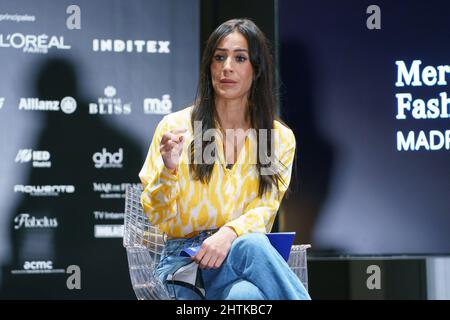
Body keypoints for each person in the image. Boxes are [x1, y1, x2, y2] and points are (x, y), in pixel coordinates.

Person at [139, 18, 311, 300]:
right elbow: (160, 218)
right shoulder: (180, 127)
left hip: (240, 257)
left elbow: (265, 209)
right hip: (186, 263)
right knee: (249, 275)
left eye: (240, 58)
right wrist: (168, 170)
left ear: (256, 70)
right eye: (219, 57)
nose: (227, 67)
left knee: (250, 266)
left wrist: (228, 234)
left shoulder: (274, 137)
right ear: (209, 66)